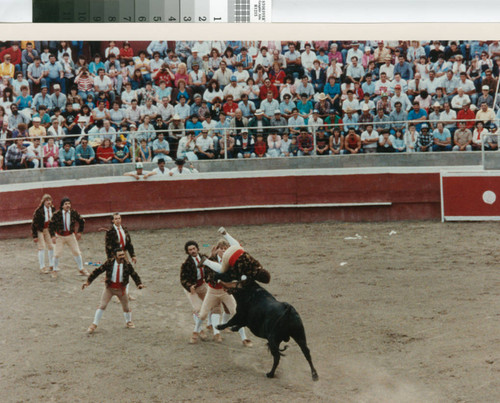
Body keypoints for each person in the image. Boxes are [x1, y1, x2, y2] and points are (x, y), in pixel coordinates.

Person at [197, 239, 253, 346]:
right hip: (212, 290)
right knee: (204, 313)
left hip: (225, 290)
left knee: (235, 311)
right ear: (217, 250)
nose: (223, 251)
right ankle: (198, 330)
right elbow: (208, 277)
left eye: (225, 249)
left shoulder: (230, 260)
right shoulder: (212, 259)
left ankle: (244, 338)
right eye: (221, 249)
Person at [83, 248, 145, 334]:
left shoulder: (127, 264)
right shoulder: (109, 263)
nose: (123, 257)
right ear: (115, 256)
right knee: (102, 305)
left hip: (121, 289)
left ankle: (128, 321)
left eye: (123, 255)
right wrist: (88, 281)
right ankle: (94, 324)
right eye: (120, 256)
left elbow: (134, 274)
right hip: (109, 289)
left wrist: (139, 283)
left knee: (126, 307)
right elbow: (98, 271)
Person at [200, 227, 270, 286]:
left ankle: (226, 234)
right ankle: (206, 261)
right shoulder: (249, 275)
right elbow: (237, 275)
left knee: (239, 246)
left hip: (237, 250)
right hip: (229, 257)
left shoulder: (258, 265)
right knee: (221, 270)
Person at [49, 197, 88, 278]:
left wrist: (80, 232)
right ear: (62, 206)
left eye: (69, 204)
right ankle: (55, 270)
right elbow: (51, 225)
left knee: (76, 252)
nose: (68, 205)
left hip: (70, 235)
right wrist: (52, 236)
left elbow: (82, 221)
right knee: (56, 254)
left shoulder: (73, 213)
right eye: (66, 204)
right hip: (59, 236)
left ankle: (81, 269)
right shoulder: (57, 214)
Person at [180, 240, 210, 344]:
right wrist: (189, 286)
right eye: (190, 250)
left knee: (211, 304)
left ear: (197, 248)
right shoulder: (186, 263)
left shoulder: (204, 258)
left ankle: (210, 324)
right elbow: (183, 279)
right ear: (187, 252)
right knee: (197, 308)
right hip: (192, 288)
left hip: (202, 285)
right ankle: (199, 330)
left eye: (194, 249)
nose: (193, 251)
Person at [31, 194, 55, 274]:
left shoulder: (53, 209)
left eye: (49, 200)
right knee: (42, 247)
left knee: (51, 246)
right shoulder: (39, 211)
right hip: (40, 230)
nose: (48, 202)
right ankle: (42, 267)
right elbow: (34, 224)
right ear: (43, 202)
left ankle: (51, 264)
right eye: (47, 200)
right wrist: (35, 236)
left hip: (48, 229)